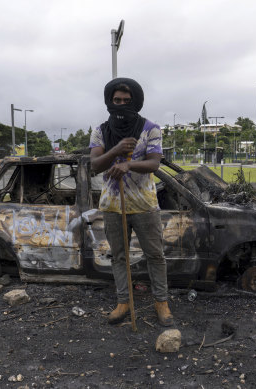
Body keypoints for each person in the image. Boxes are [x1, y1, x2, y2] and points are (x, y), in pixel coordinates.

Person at [89, 77, 173, 327]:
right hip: (114, 205)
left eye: (127, 100)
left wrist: (128, 164)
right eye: (117, 100)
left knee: (155, 255)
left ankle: (161, 303)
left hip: (145, 205)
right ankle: (123, 302)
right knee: (119, 256)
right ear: (109, 101)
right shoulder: (101, 131)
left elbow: (154, 163)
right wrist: (116, 151)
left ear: (136, 101)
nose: (122, 104)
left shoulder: (151, 128)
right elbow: (94, 165)